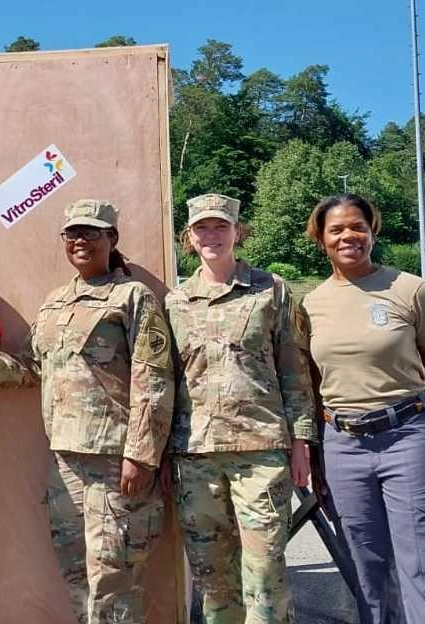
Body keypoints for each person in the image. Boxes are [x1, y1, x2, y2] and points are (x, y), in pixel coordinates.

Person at [0, 199, 174, 624]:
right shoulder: (55, 303)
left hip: (115, 463)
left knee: (113, 580)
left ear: (112, 238)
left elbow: (153, 380)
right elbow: (30, 367)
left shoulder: (132, 296)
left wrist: (141, 455)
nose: (81, 240)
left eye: (92, 232)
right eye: (73, 233)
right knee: (77, 576)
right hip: (65, 463)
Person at [299, 193, 425, 623]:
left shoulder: (410, 290)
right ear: (321, 238)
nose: (349, 235)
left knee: (424, 564)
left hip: (408, 436)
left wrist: (418, 422)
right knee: (366, 568)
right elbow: (314, 386)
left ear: (372, 232)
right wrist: (317, 452)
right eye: (337, 229)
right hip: (342, 445)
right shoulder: (310, 305)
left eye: (358, 227)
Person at [165, 193, 316, 624]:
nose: (211, 236)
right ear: (189, 239)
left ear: (238, 232)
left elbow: (294, 369)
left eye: (221, 227)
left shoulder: (272, 290)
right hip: (195, 455)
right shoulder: (176, 302)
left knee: (265, 570)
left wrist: (301, 441)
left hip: (260, 451)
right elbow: (166, 382)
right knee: (214, 578)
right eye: (202, 229)